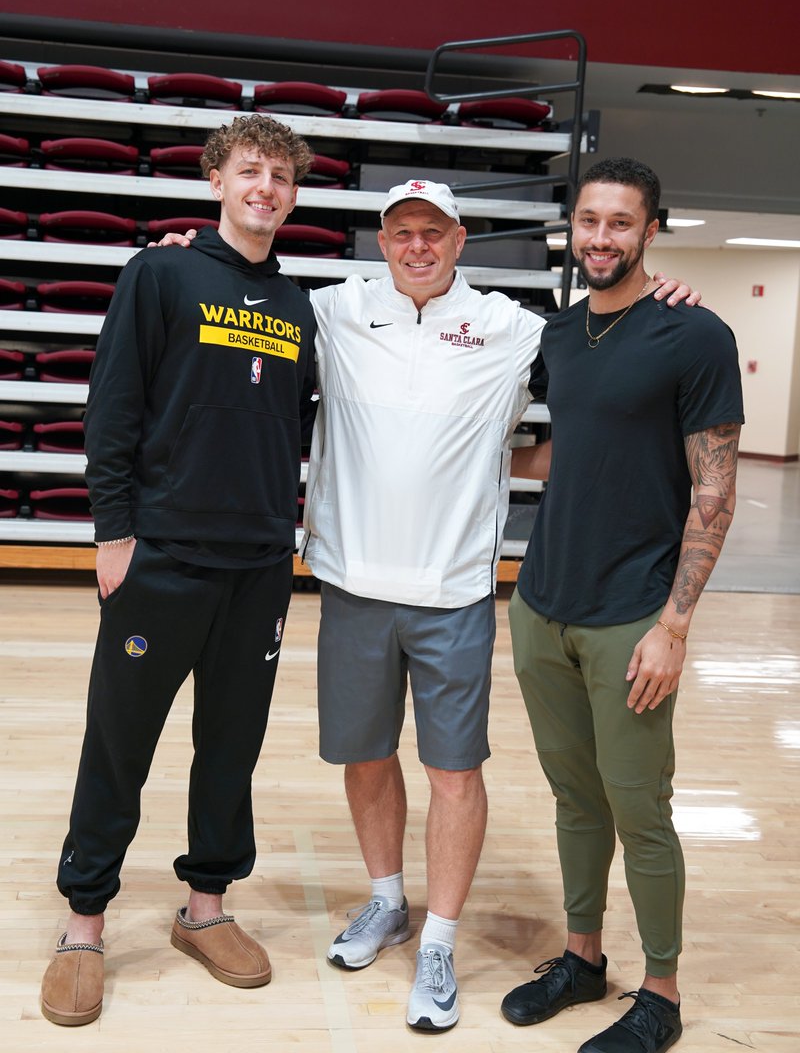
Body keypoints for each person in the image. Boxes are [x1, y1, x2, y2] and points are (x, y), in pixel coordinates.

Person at [152, 177, 697, 1033]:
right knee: (365, 758)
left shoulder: (517, 328)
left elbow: (609, 341)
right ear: (381, 241)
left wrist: (664, 289)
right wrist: (189, 260)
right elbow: (231, 303)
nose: (417, 246)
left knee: (454, 772)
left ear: (459, 238)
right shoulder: (330, 310)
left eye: (432, 232)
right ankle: (386, 903)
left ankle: (438, 940)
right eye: (401, 231)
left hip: (454, 593)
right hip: (352, 581)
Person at [40, 115, 317, 1027]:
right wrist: (113, 535)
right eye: (249, 170)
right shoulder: (158, 274)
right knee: (118, 746)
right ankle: (84, 925)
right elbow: (112, 408)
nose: (265, 188)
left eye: (281, 175)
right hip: (160, 556)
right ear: (215, 180)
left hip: (259, 568)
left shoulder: (299, 306)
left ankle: (206, 910)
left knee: (230, 749)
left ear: (293, 192)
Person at [502, 158, 743, 1053]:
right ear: (572, 226)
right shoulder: (560, 335)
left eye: (621, 223)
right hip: (541, 606)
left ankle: (664, 995)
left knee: (640, 808)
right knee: (575, 798)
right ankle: (582, 957)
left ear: (652, 231)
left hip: (633, 619)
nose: (601, 237)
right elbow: (575, 450)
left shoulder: (695, 335)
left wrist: (674, 625)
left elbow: (712, 492)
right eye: (589, 221)